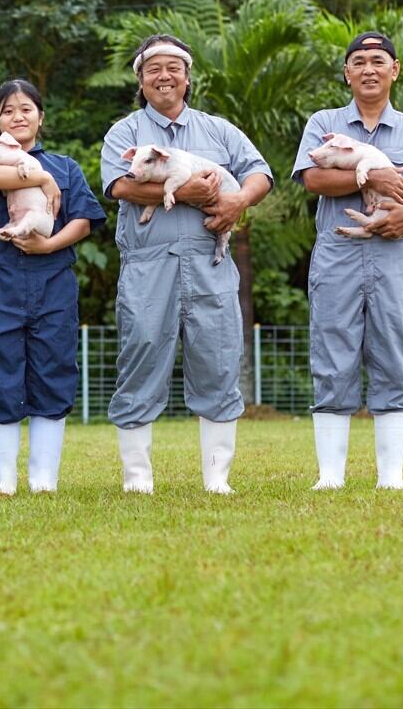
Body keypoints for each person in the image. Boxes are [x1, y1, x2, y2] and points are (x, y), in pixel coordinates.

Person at [99, 34, 272, 494]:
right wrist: (182, 193)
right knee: (140, 355)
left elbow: (260, 172)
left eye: (173, 67)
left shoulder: (218, 131)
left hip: (209, 263)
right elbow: (119, 187)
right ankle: (138, 478)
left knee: (218, 359)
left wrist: (237, 201)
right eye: (153, 68)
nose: (164, 76)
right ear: (140, 79)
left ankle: (218, 479)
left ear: (188, 77)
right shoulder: (126, 132)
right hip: (147, 263)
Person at [292, 31, 403, 490]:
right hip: (337, 252)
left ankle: (392, 477)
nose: (369, 69)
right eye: (359, 61)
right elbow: (312, 180)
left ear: (395, 69)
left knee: (394, 355)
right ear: (346, 72)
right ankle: (330, 477)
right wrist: (374, 175)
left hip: (397, 253)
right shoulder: (324, 122)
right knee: (332, 355)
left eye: (378, 60)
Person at [0, 79, 108, 495]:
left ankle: (43, 477)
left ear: (40, 117)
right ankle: (4, 478)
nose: (18, 116)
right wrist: (39, 179)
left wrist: (48, 245)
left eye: (26, 108)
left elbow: (83, 220)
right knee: (1, 371)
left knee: (54, 370)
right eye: (8, 110)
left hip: (53, 280)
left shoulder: (66, 167)